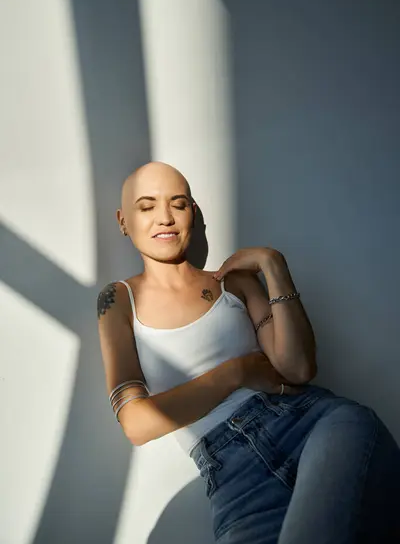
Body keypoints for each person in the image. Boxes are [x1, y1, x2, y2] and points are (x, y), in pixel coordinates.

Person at [97, 161, 400, 544]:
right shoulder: (118, 300)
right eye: (147, 206)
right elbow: (137, 424)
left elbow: (299, 368)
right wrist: (238, 372)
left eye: (179, 204)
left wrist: (274, 266)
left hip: (314, 426)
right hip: (235, 482)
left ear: (192, 211)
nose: (165, 218)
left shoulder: (232, 281)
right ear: (123, 220)